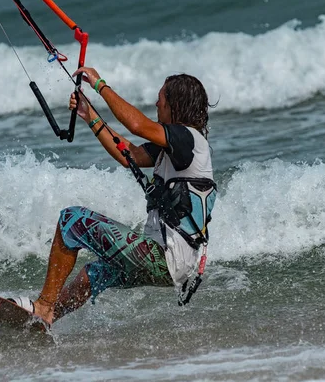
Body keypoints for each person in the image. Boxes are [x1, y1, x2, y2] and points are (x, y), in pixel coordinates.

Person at [12, 67, 217, 328]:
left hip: (163, 257)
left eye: (161, 99)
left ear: (175, 106)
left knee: (72, 219)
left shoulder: (188, 139)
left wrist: (100, 85)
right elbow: (127, 154)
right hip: (174, 266)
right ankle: (49, 319)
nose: (156, 103)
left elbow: (137, 126)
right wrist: (90, 116)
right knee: (93, 274)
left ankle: (43, 306)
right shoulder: (175, 149)